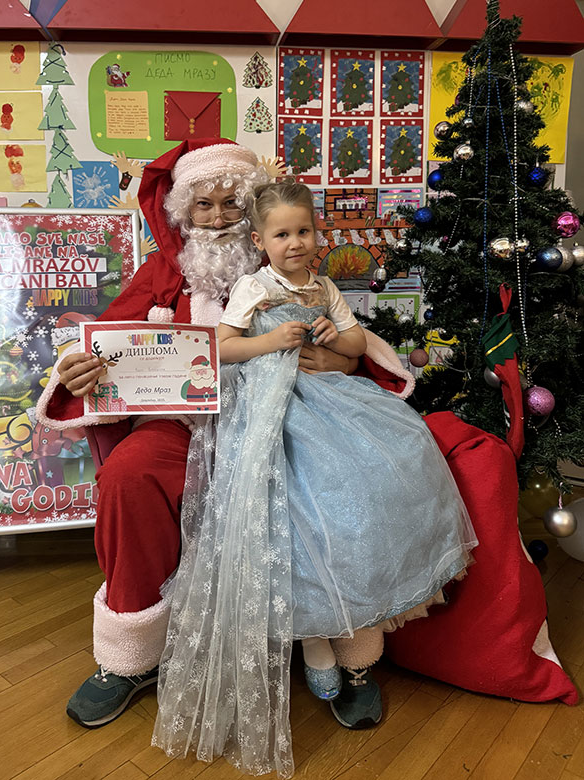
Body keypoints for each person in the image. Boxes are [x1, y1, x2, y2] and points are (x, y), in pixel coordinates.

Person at [35, 139, 395, 731]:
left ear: (256, 211)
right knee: (129, 476)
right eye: (204, 205)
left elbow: (348, 337)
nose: (219, 216)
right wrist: (79, 366)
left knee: (345, 474)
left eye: (233, 202)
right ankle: (132, 656)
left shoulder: (287, 255)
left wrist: (342, 360)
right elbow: (105, 338)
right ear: (185, 211)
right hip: (185, 423)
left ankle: (353, 653)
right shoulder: (162, 272)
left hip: (289, 416)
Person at [151, 179, 477, 778]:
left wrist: (335, 336)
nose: (295, 243)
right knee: (292, 502)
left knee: (387, 460)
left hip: (328, 394)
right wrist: (270, 340)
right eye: (282, 234)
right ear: (260, 241)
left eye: (304, 231)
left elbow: (354, 339)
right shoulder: (255, 286)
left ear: (316, 235)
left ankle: (352, 646)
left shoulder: (324, 288)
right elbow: (221, 346)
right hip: (270, 406)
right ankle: (313, 642)